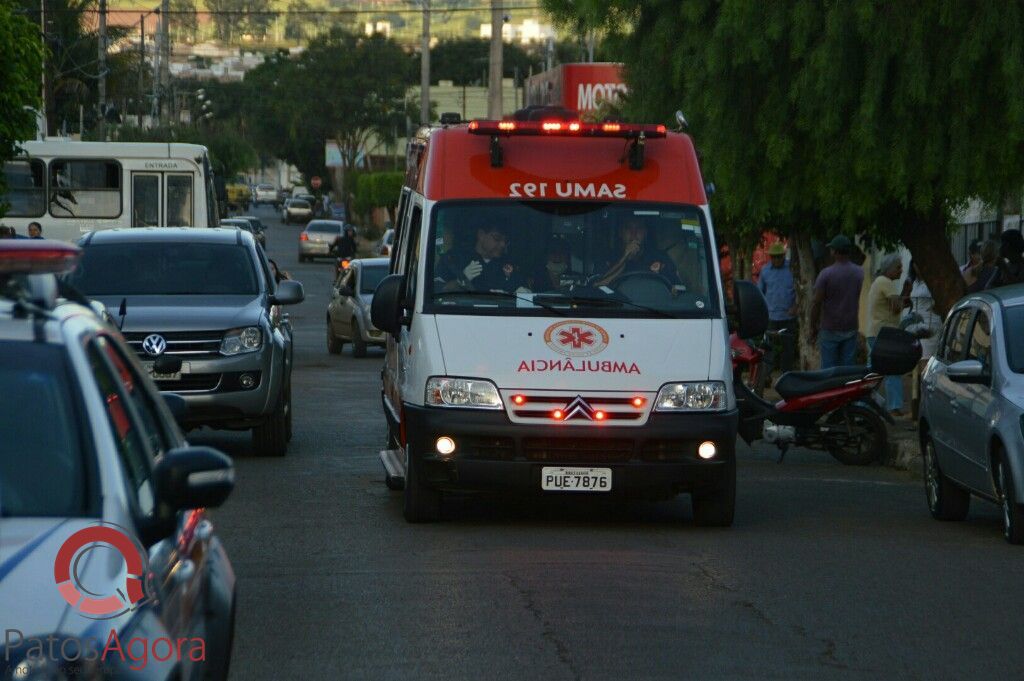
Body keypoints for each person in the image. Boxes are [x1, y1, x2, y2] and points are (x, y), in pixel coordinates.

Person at [809, 235, 864, 369]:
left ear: (835, 252)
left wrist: (813, 325)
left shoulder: (826, 274)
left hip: (830, 327)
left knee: (828, 369)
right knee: (847, 369)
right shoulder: (858, 272)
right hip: (850, 326)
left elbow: (817, 302)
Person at [866, 254, 906, 416]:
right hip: (883, 333)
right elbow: (896, 307)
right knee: (892, 369)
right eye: (898, 267)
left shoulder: (878, 282)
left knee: (874, 369)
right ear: (889, 269)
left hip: (875, 332)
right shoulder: (886, 282)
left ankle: (866, 399)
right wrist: (903, 300)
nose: (901, 270)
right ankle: (894, 406)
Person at [903, 260, 943, 420]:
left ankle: (926, 408)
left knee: (925, 368)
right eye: (915, 264)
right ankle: (917, 409)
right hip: (916, 324)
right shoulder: (914, 282)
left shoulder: (933, 281)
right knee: (917, 369)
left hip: (931, 324)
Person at [443, 223, 527, 292]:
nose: (503, 245)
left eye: (505, 241)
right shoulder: (455, 257)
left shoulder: (508, 263)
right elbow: (439, 290)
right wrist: (461, 280)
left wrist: (520, 293)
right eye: (497, 238)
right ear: (481, 235)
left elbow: (525, 290)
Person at [596, 218, 678, 286]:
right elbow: (598, 285)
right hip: (616, 303)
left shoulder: (659, 257)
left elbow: (676, 287)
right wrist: (624, 258)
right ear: (621, 233)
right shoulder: (608, 256)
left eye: (638, 228)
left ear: (645, 233)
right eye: (628, 228)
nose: (634, 233)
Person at [757, 241, 798, 371]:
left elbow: (799, 290)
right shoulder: (765, 271)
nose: (776, 259)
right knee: (768, 348)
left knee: (788, 348)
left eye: (779, 256)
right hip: (771, 316)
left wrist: (796, 306)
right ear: (770, 257)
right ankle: (766, 375)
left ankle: (787, 375)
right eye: (774, 257)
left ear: (783, 256)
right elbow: (760, 293)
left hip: (788, 316)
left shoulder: (792, 269)